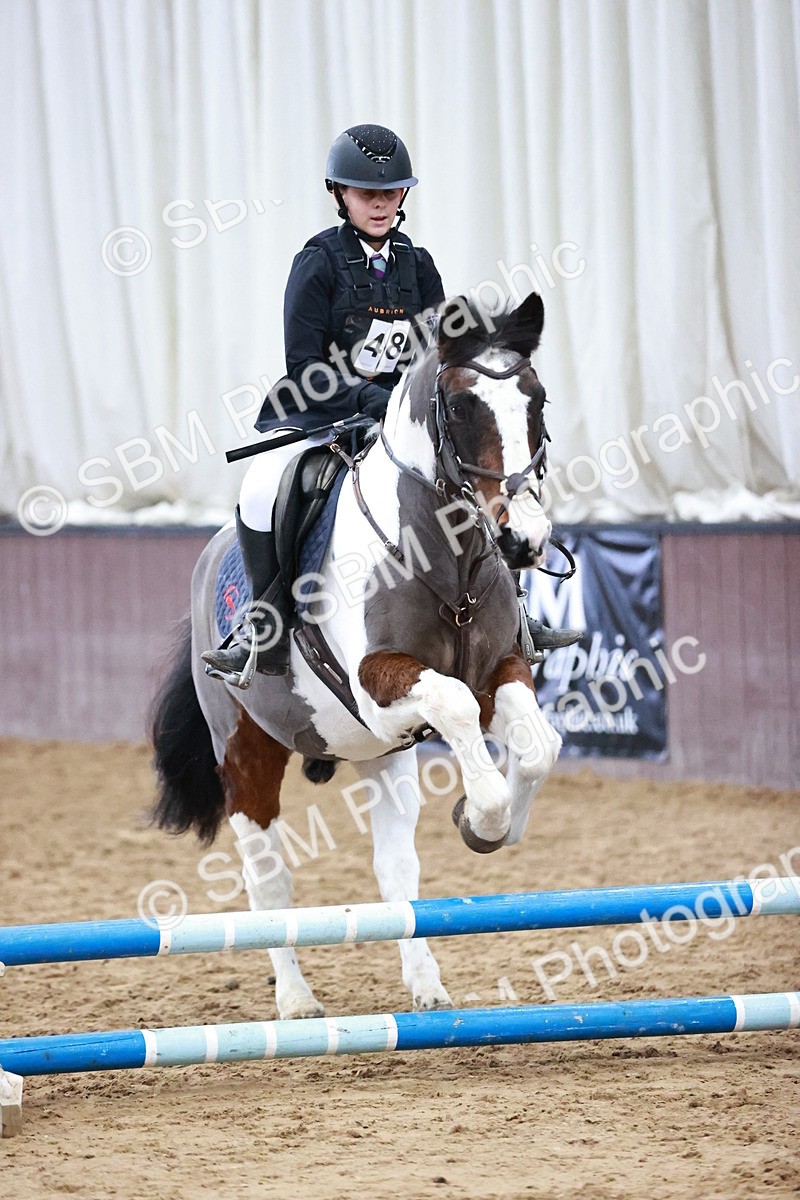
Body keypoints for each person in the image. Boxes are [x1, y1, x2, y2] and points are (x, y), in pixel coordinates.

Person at [203, 124, 579, 688]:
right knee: (262, 487)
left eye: (390, 193)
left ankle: (518, 618)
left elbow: (442, 355)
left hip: (398, 425)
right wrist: (372, 398)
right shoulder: (317, 264)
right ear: (340, 195)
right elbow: (305, 366)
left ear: (403, 196)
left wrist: (412, 406)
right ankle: (265, 623)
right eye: (365, 194)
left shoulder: (418, 266)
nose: (379, 204)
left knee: (475, 486)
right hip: (324, 415)